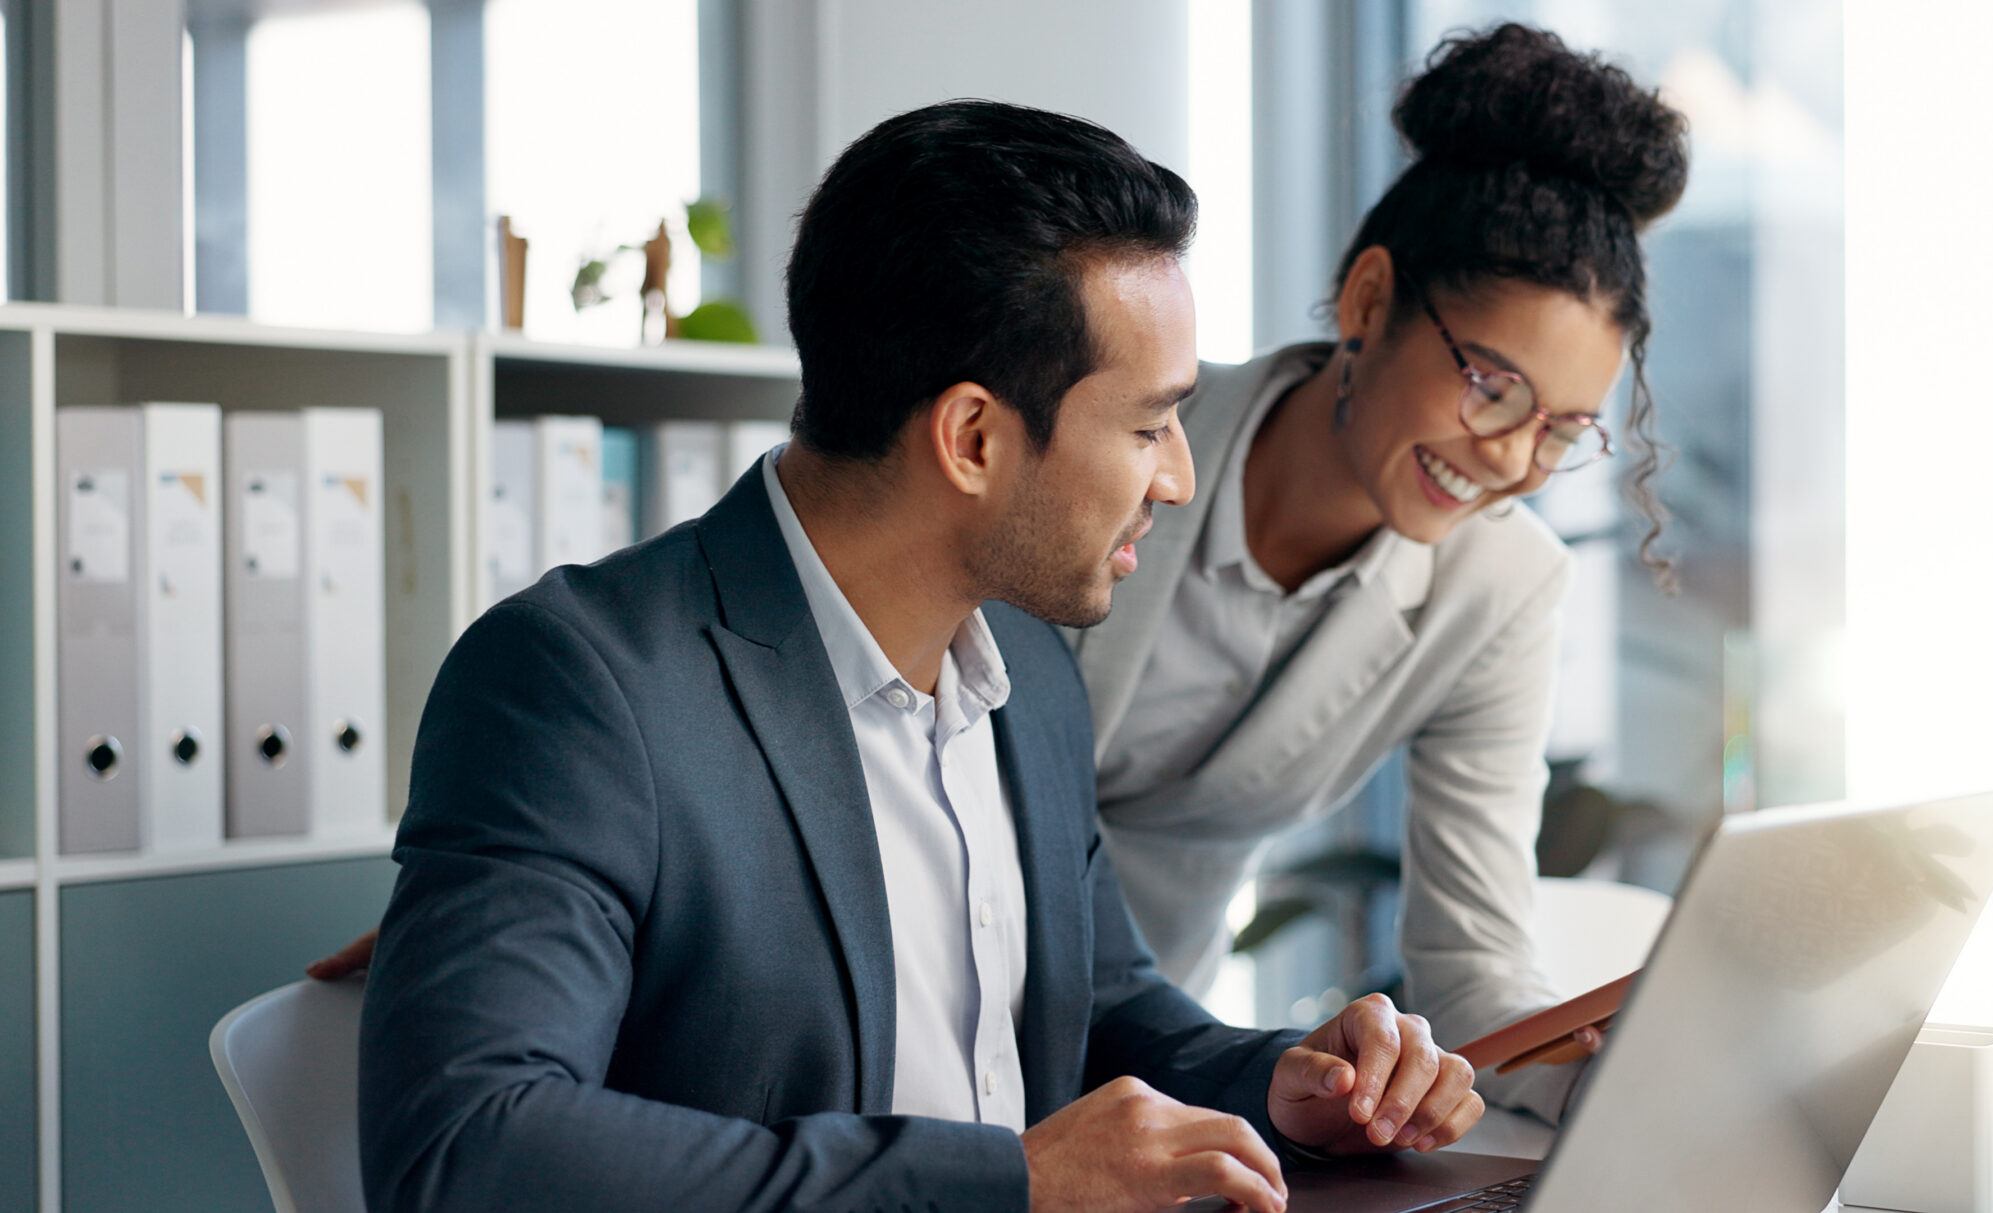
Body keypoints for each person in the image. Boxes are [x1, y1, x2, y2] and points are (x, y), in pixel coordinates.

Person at [356, 100, 1483, 1213]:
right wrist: (1006, 1183)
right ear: (973, 438)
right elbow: (466, 1148)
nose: (1177, 478)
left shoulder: (1026, 665)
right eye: (1148, 426)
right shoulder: (578, 684)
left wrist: (1284, 1086)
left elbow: (1094, 1002)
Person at [1073, 24, 1689, 1120]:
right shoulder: (1114, 438)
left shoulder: (1499, 587)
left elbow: (1472, 957)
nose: (1510, 460)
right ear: (1368, 300)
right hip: (921, 1015)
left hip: (1162, 1071)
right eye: (1492, 386)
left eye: (1561, 432)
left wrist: (1614, 1089)